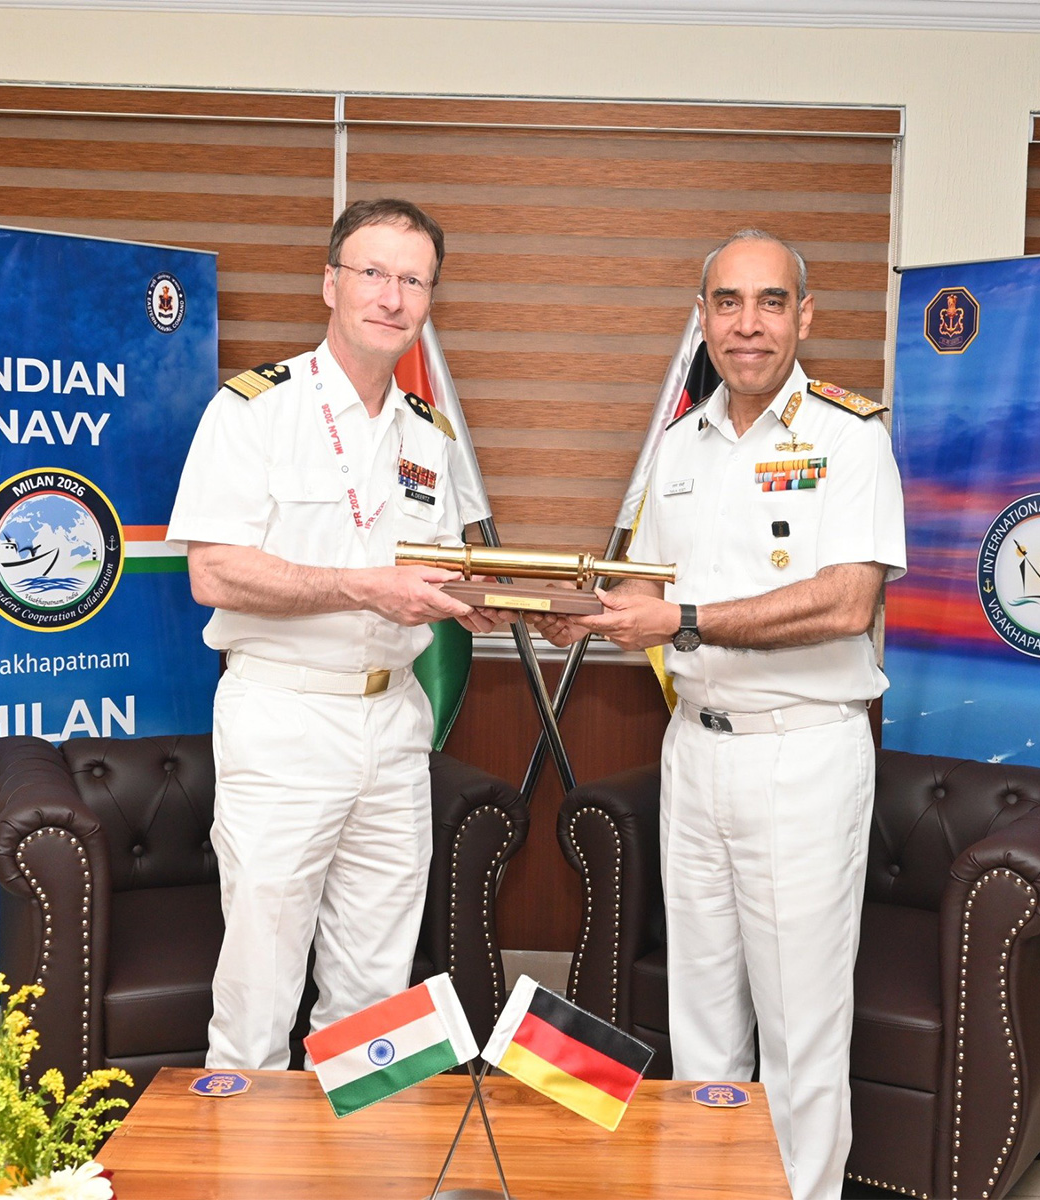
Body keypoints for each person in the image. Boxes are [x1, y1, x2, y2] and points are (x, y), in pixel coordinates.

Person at [531, 229, 906, 1200]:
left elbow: (845, 603)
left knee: (799, 1027)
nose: (748, 324)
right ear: (702, 318)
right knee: (700, 1018)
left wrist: (685, 620)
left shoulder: (849, 437)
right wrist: (571, 612)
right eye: (728, 303)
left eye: (770, 302)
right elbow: (649, 591)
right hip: (693, 751)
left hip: (801, 753)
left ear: (803, 316)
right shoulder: (679, 446)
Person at [166, 198, 500, 1071]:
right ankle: (249, 1147)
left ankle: (354, 1147)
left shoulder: (432, 435)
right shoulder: (253, 411)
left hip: (395, 722)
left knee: (376, 988)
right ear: (330, 284)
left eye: (413, 281)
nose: (392, 297)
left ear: (429, 300)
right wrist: (361, 587)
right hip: (285, 715)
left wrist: (482, 604)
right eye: (373, 273)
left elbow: (439, 574)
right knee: (260, 988)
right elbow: (214, 573)